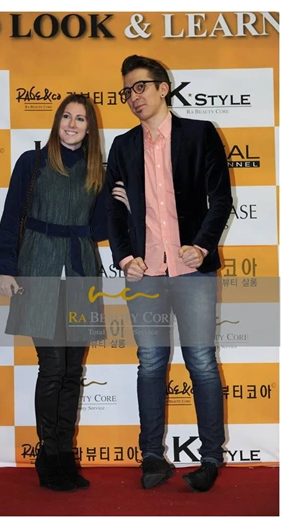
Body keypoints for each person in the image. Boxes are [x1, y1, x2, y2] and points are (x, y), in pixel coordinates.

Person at [106, 54, 231, 492]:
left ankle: (211, 458)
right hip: (144, 274)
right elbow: (113, 213)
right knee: (151, 363)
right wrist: (125, 258)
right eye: (127, 91)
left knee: (201, 362)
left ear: (164, 88)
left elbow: (221, 200)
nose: (133, 97)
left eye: (140, 87)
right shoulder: (122, 146)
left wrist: (202, 246)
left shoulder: (199, 134)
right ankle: (152, 456)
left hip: (191, 269)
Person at [0, 94, 110, 492]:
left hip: (81, 271)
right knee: (53, 367)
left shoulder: (98, 170)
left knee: (73, 370)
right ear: (57, 122)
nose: (72, 124)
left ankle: (64, 455)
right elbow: (12, 215)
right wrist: (4, 266)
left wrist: (120, 204)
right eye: (66, 117)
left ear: (90, 128)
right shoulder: (33, 161)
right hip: (39, 268)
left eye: (80, 119)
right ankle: (49, 454)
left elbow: (100, 228)